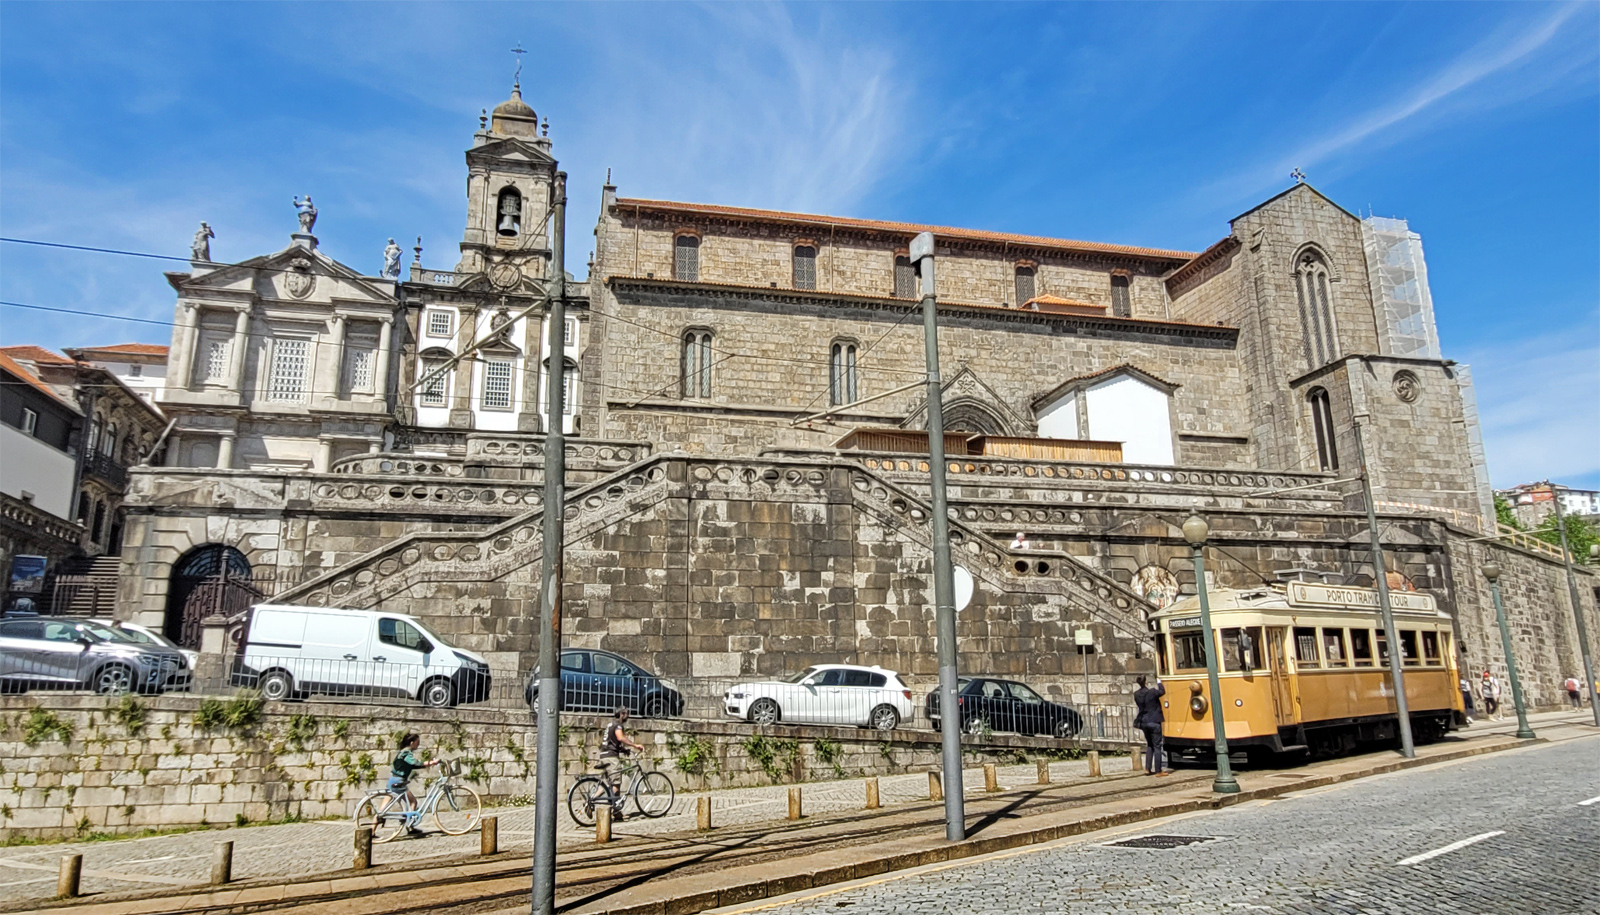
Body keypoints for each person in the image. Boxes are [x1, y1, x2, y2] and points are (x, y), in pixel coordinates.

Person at [597, 707, 645, 819]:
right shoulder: (618, 725)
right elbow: (620, 737)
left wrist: (624, 750)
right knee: (616, 784)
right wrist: (634, 745)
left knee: (606, 783)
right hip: (611, 757)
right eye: (627, 714)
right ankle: (615, 811)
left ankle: (589, 803)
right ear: (622, 714)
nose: (628, 716)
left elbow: (613, 741)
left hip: (603, 755)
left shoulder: (610, 724)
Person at [389, 732, 440, 834]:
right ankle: (410, 826)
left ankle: (372, 830)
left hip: (392, 780)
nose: (418, 744)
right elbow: (413, 762)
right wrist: (430, 762)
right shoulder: (407, 752)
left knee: (382, 809)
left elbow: (413, 766)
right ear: (412, 743)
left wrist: (426, 765)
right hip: (399, 782)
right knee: (413, 802)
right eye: (417, 742)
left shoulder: (402, 752)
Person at [1132, 675, 1168, 777]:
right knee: (1157, 746)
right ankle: (1158, 770)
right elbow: (1162, 691)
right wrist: (1159, 682)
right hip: (1154, 721)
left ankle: (1147, 768)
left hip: (1143, 722)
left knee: (1150, 745)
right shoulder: (1152, 692)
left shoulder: (1136, 694)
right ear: (1146, 682)